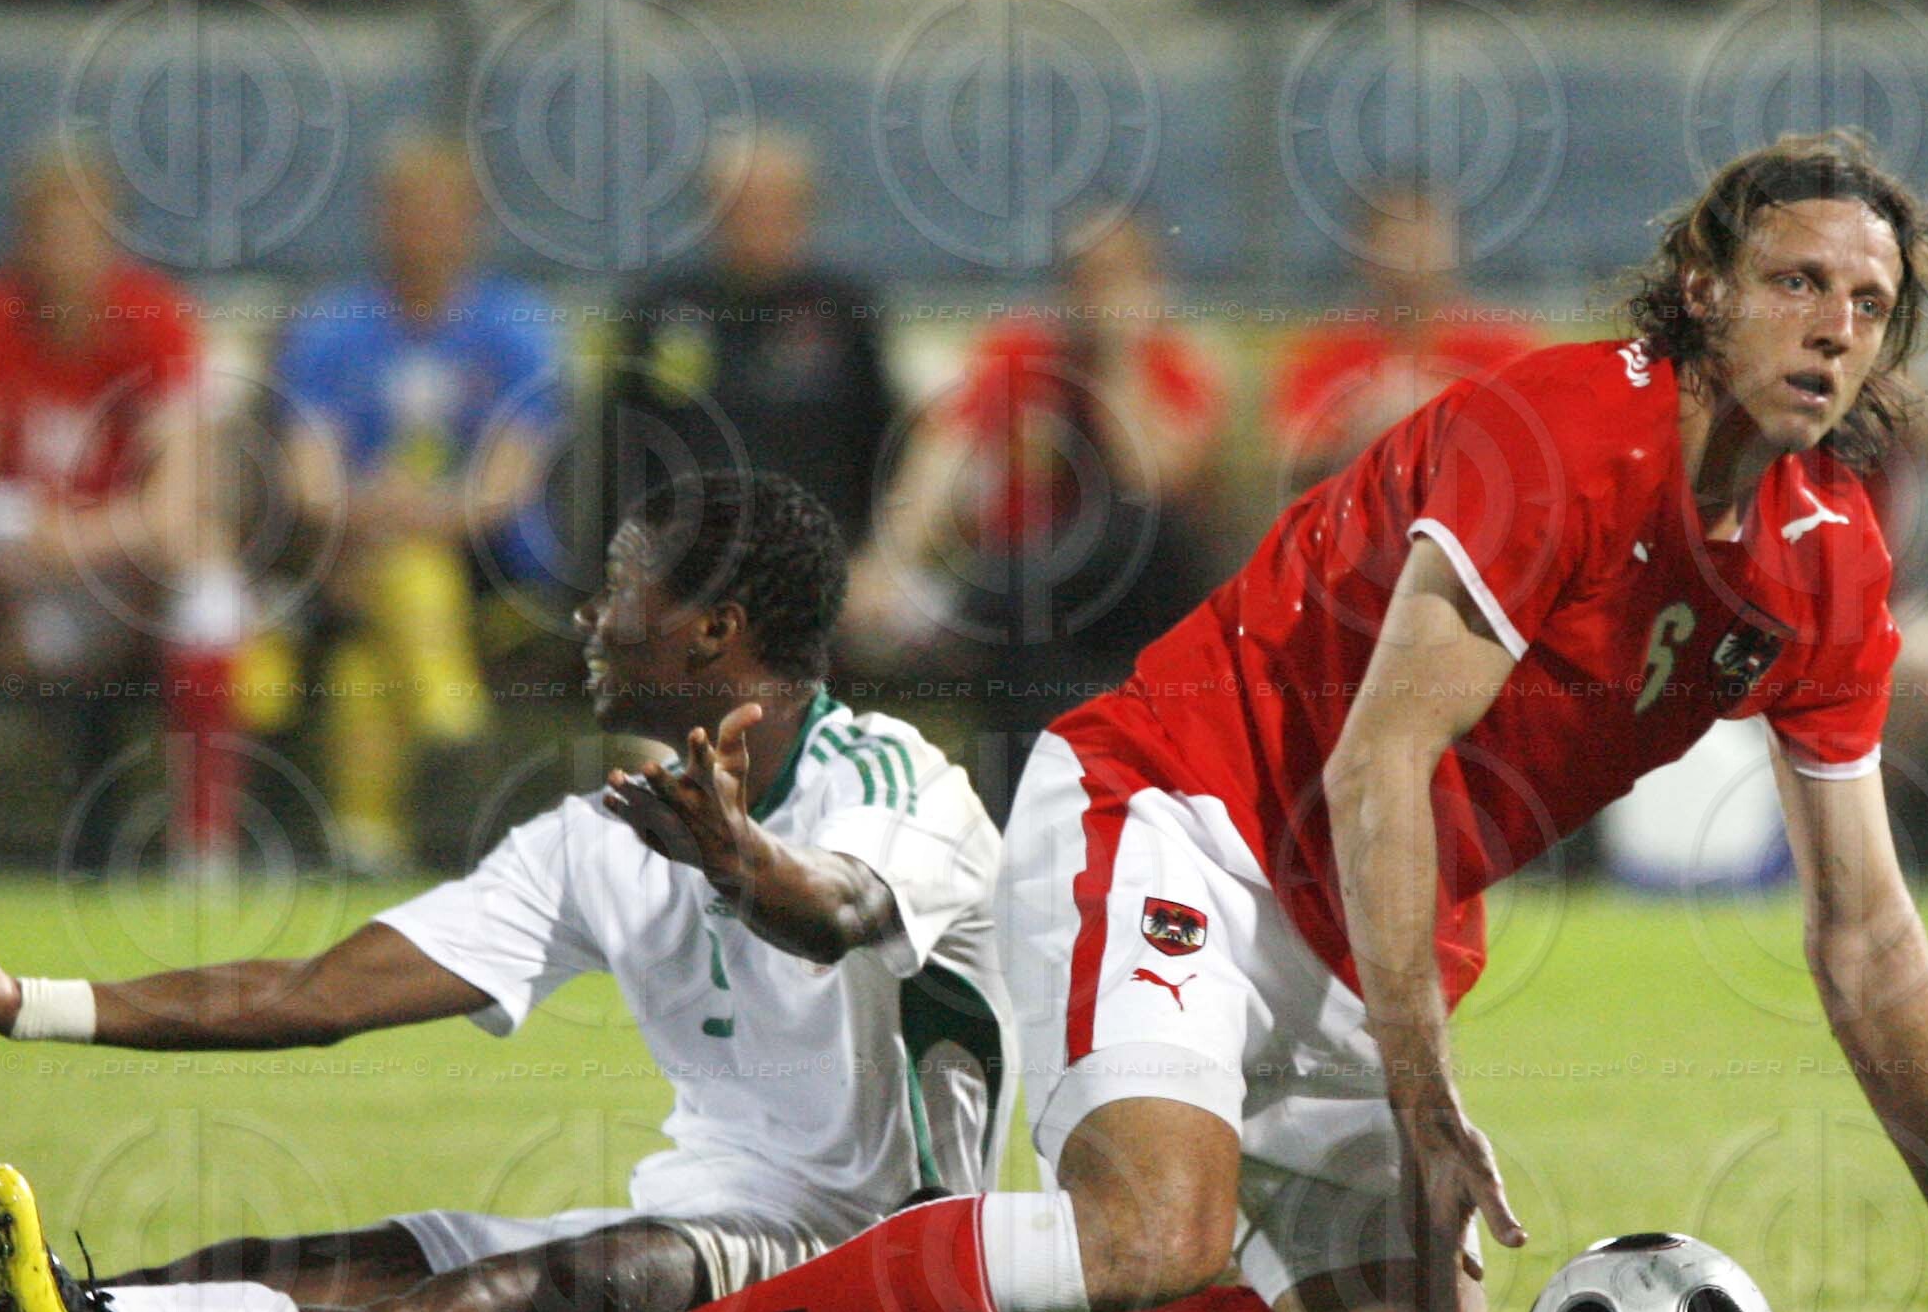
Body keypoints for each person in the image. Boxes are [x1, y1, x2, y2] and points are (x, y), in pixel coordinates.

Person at [492, 132, 1928, 1312]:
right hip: (1179, 806)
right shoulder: (1558, 435)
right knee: (1150, 1233)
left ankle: (966, 1301)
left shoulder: (1825, 559)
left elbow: (1864, 933)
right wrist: (1422, 1086)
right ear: (1705, 286)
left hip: (1371, 915)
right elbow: (1383, 755)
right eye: (1797, 281)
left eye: (1868, 302)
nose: (1835, 326)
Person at [0, 471, 1016, 1312]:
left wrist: (737, 856)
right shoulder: (604, 829)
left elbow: (833, 908)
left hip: (871, 1280)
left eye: (617, 587)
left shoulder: (896, 782)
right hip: (703, 1217)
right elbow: (320, 995)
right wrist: (33, 1002)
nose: (588, 614)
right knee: (279, 1266)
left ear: (712, 632)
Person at [0, 142, 237, 880]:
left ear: (112, 236)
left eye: (83, 228)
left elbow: (176, 501)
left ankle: (205, 842)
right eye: (48, 228)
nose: (65, 248)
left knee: (211, 586)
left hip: (118, 568)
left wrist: (78, 537)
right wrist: (15, 548)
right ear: (22, 234)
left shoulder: (158, 320)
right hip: (15, 561)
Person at [263, 133, 560, 875]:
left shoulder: (517, 329)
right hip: (352, 565)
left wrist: (401, 514)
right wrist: (376, 513)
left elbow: (504, 489)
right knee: (370, 638)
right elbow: (309, 484)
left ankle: (379, 812)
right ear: (380, 220)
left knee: (399, 591)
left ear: (473, 224)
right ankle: (441, 731)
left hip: (492, 576)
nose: (425, 230)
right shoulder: (331, 329)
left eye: (443, 214)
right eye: (409, 212)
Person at [852, 207, 1222, 796]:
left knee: (1046, 575)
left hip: (1141, 594)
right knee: (1015, 610)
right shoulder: (1021, 349)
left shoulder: (1171, 361)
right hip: (1027, 591)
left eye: (1116, 275)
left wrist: (1118, 357)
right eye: (1085, 275)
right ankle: (1025, 806)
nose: (1097, 292)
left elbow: (1152, 480)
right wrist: (887, 561)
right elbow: (944, 452)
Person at [603, 132, 897, 551]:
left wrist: (875, 558)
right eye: (742, 207)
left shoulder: (844, 309)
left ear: (807, 211)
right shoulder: (660, 309)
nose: (760, 222)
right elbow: (617, 448)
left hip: (817, 552)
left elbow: (883, 440)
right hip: (684, 552)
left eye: (778, 206)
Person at [1270, 179, 1540, 488]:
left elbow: (1540, 444)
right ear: (1363, 252)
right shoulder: (1328, 347)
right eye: (1396, 239)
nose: (1413, 255)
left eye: (1425, 239)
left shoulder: (1501, 344)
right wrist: (1358, 424)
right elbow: (1288, 454)